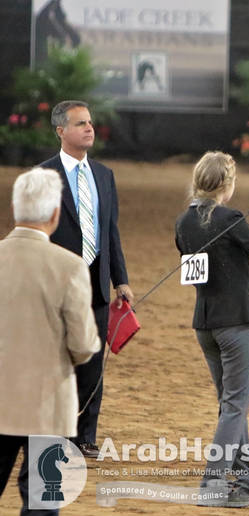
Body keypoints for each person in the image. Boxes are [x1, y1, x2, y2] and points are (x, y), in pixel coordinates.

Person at [174, 151, 249, 508]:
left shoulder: (184, 221)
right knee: (235, 405)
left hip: (205, 323)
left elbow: (204, 268)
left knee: (229, 404)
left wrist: (244, 264)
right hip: (236, 323)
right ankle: (213, 480)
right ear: (227, 185)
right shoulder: (231, 217)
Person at [0, 168, 101, 516]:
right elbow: (84, 345)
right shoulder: (70, 266)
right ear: (55, 214)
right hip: (48, 405)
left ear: (16, 209)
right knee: (42, 509)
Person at [39, 100, 134, 459]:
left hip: (97, 283)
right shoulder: (43, 176)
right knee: (57, 363)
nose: (89, 128)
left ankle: (85, 436)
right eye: (80, 124)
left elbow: (111, 231)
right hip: (56, 286)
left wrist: (120, 279)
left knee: (93, 361)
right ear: (61, 131)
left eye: (90, 122)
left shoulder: (105, 176)